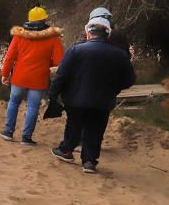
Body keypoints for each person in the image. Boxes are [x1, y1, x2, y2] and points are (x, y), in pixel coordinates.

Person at [49, 17, 136, 174]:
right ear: (107, 35)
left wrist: (54, 94)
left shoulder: (75, 50)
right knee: (96, 130)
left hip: (75, 99)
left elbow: (61, 75)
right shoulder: (119, 55)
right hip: (103, 101)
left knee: (74, 125)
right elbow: (130, 80)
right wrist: (114, 89)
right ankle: (89, 161)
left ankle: (66, 151)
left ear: (88, 33)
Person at [0, 6, 65, 145]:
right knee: (33, 107)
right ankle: (26, 137)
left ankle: (8, 132)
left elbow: (9, 57)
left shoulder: (19, 35)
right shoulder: (53, 37)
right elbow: (59, 61)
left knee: (13, 102)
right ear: (44, 19)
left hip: (19, 77)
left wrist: (4, 74)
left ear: (29, 20)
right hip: (39, 79)